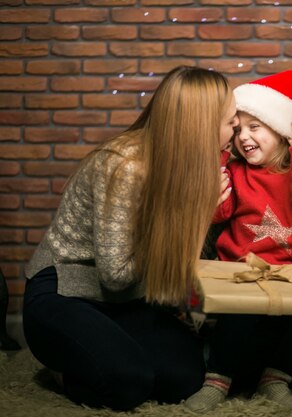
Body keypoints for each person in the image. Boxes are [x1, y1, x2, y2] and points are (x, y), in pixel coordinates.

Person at [22, 66, 240, 411]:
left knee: (186, 378)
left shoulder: (188, 166)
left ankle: (105, 352)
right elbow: (116, 275)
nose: (236, 129)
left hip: (125, 303)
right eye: (230, 121)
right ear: (201, 124)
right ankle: (60, 370)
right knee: (127, 383)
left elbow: (192, 261)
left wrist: (207, 217)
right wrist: (190, 215)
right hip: (66, 290)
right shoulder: (124, 165)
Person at [184, 70, 292, 412]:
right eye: (237, 130)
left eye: (255, 127)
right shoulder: (235, 171)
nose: (243, 138)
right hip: (240, 269)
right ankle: (217, 380)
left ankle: (275, 379)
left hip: (289, 273)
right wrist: (219, 162)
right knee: (240, 315)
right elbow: (220, 216)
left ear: (280, 131)